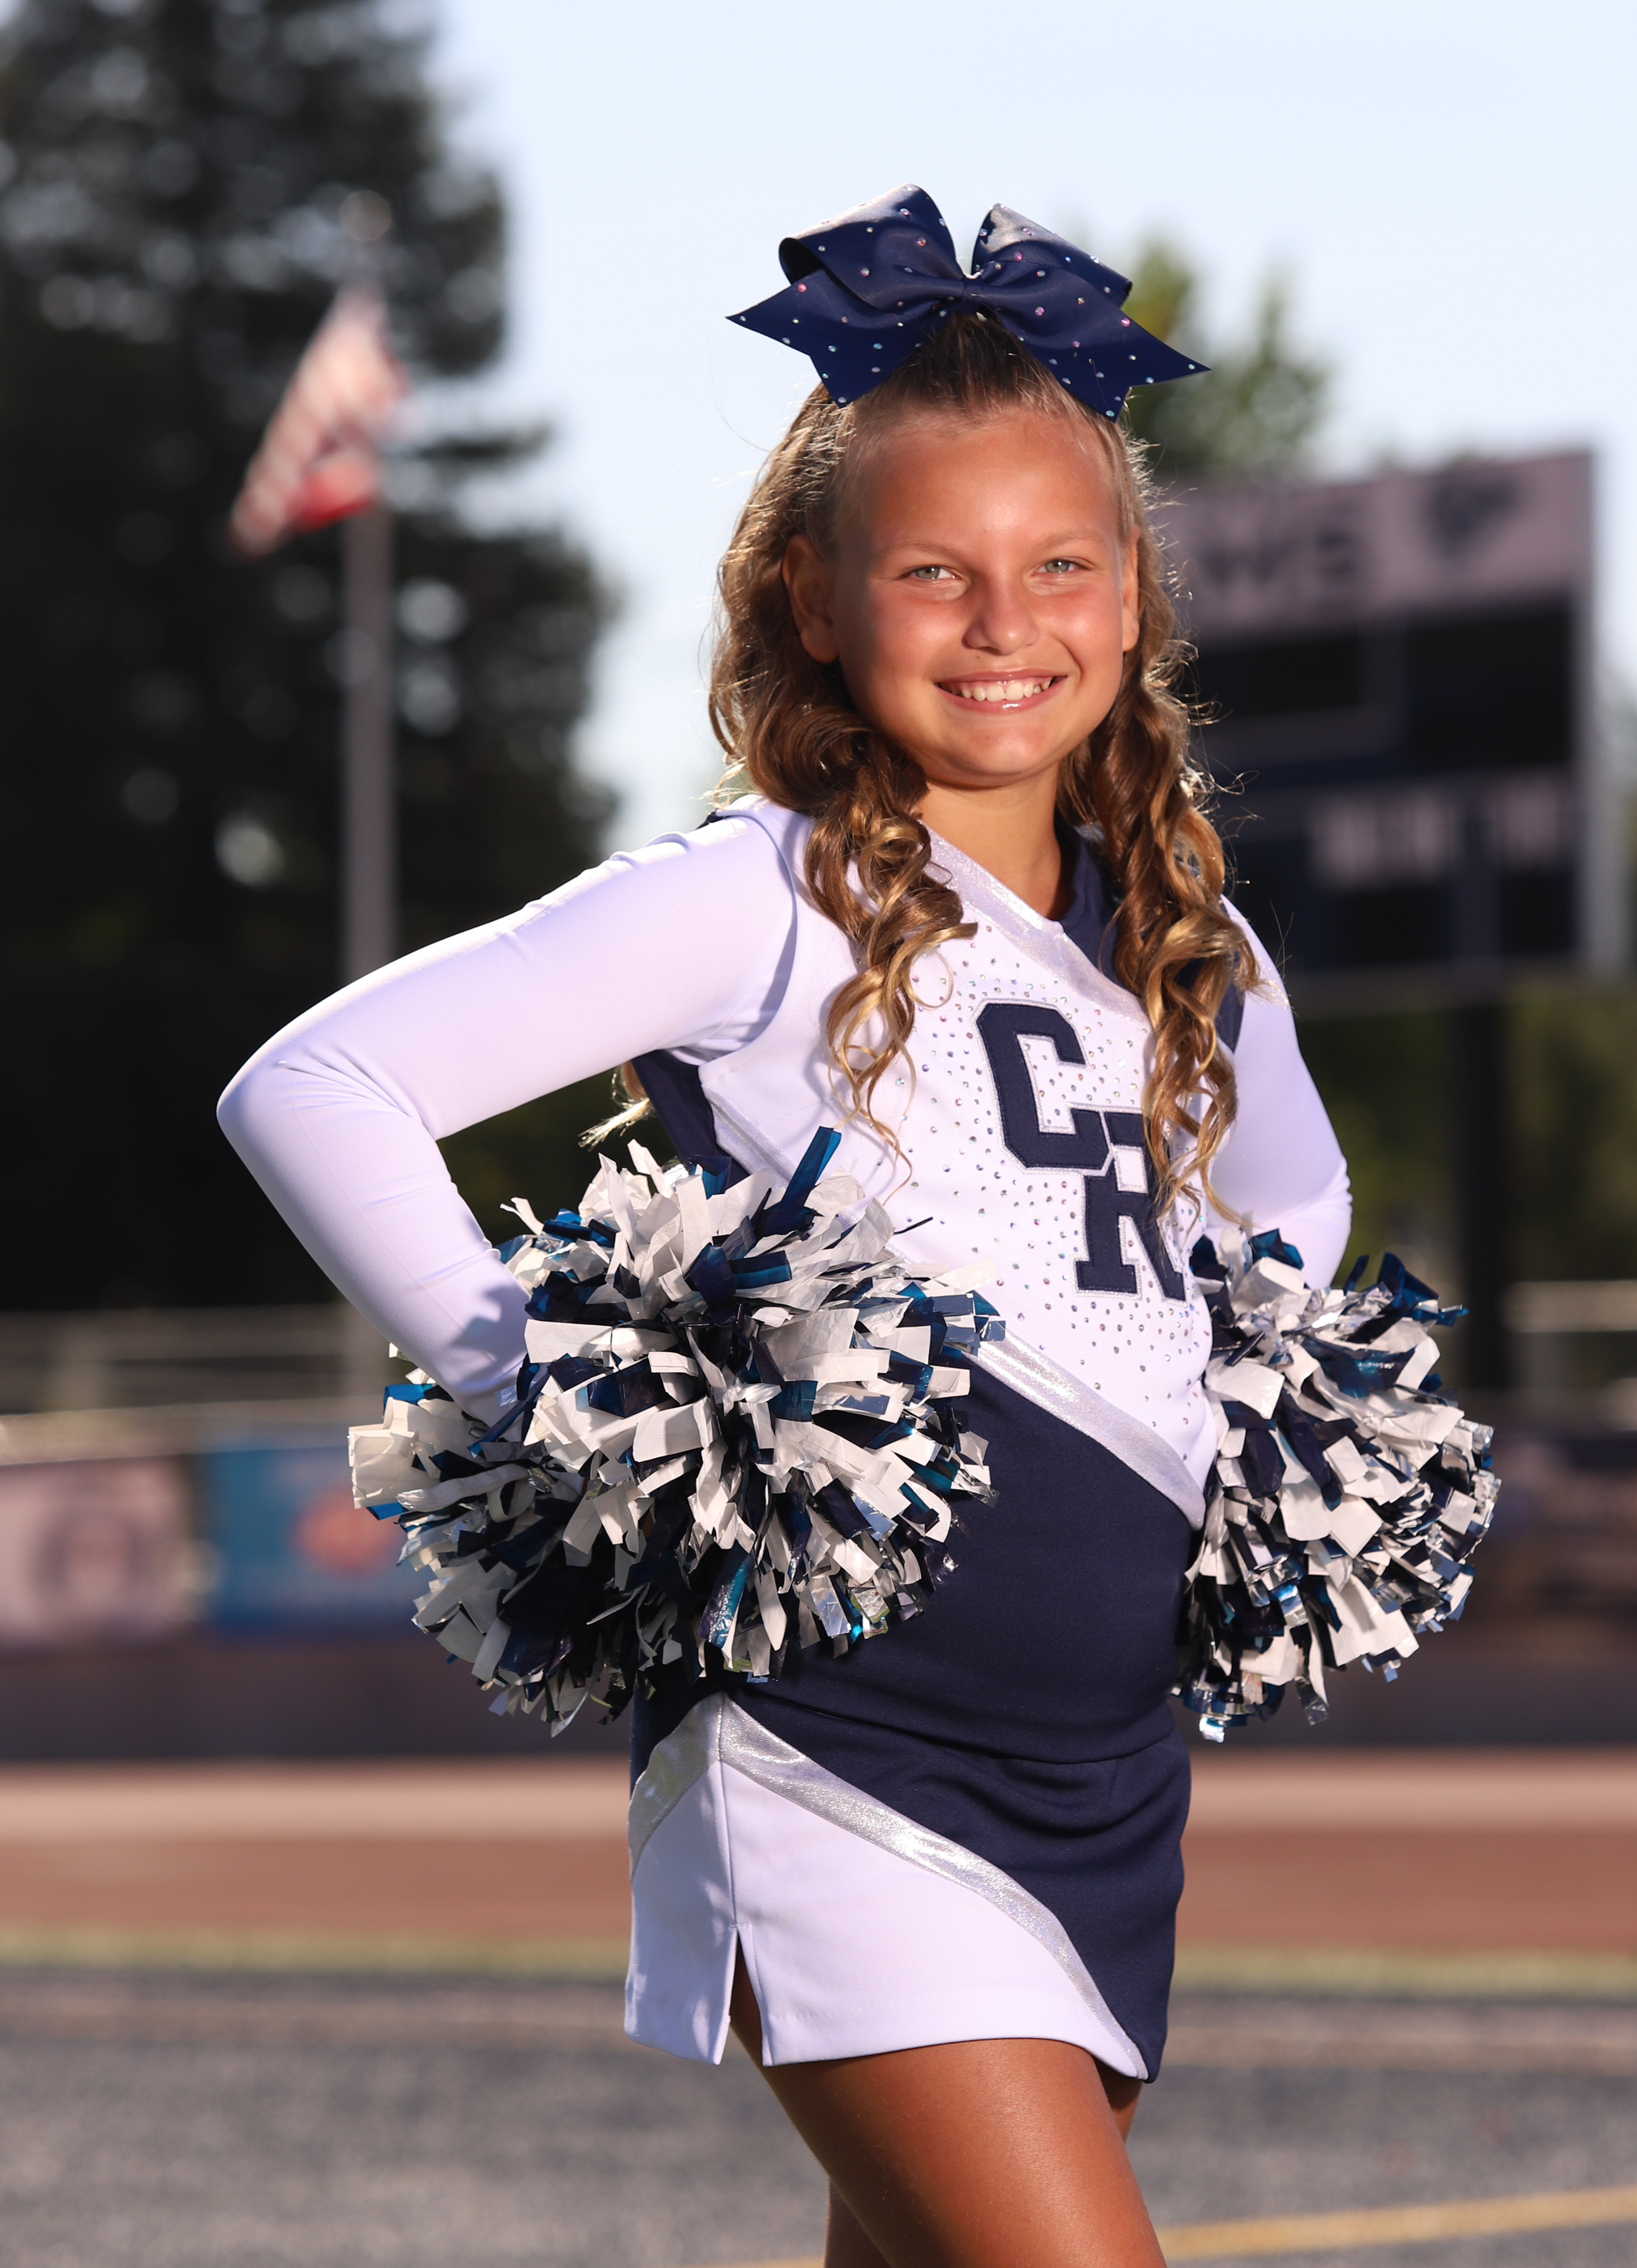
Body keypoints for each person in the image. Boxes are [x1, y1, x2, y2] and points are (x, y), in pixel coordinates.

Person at [220, 186, 1350, 2268]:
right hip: (843, 1746)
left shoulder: (1189, 936)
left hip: (1109, 1764)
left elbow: (1297, 1197)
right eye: (932, 571)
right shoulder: (752, 895)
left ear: (1130, 600)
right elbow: (315, 1084)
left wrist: (1238, 1381)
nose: (1004, 621)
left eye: (1060, 565)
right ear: (814, 600)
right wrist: (563, 1407)